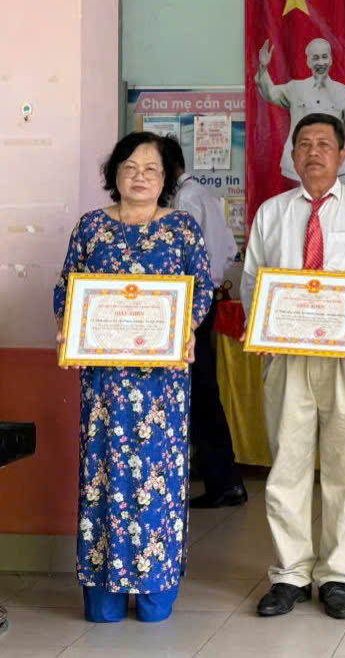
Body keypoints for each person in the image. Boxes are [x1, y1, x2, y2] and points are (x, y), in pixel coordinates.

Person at [53, 132, 214, 623]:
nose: (139, 177)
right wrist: (68, 330)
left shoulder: (182, 229)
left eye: (151, 169)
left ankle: (153, 595)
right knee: (103, 477)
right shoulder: (91, 228)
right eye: (129, 167)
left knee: (157, 482)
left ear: (165, 179)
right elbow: (67, 289)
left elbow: (202, 289)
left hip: (161, 386)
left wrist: (187, 327)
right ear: (114, 174)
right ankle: (102, 595)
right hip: (104, 383)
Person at [241, 112, 345, 619]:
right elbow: (252, 279)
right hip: (287, 356)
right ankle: (289, 574)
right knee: (287, 464)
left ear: (343, 154)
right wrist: (261, 325)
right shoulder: (273, 212)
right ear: (292, 154)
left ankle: (335, 575)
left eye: (324, 144)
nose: (313, 152)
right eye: (304, 143)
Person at [165, 137, 246, 509]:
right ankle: (224, 480)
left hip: (188, 303)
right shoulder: (206, 195)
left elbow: (181, 259)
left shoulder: (185, 201)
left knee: (199, 395)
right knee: (202, 394)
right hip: (207, 298)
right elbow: (228, 251)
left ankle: (223, 481)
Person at [255, 37, 345, 190]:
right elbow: (270, 93)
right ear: (308, 62)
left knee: (337, 205)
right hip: (301, 168)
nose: (321, 63)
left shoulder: (342, 92)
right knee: (302, 205)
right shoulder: (296, 88)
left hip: (336, 168)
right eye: (315, 58)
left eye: (324, 57)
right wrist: (263, 68)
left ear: (331, 60)